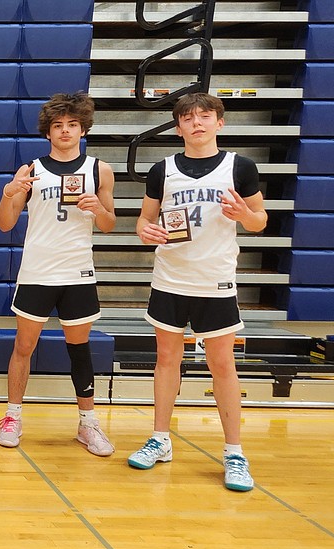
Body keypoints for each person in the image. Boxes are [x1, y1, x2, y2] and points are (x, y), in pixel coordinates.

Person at [128, 93, 266, 492]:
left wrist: (245, 216)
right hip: (170, 278)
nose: (197, 124)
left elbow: (260, 220)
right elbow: (144, 220)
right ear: (178, 127)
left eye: (205, 116)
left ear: (219, 123)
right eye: (188, 118)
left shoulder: (240, 166)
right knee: (166, 359)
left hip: (216, 280)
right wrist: (144, 231)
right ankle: (160, 439)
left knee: (222, 364)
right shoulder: (162, 169)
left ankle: (234, 453)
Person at [0, 93, 117, 455]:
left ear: (83, 129)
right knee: (23, 346)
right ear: (48, 132)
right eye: (58, 126)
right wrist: (7, 194)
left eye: (72, 125)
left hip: (77, 273)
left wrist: (98, 209)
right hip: (37, 271)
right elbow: (4, 224)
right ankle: (13, 416)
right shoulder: (31, 169)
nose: (65, 131)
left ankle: (88, 424)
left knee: (79, 349)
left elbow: (109, 225)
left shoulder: (99, 170)